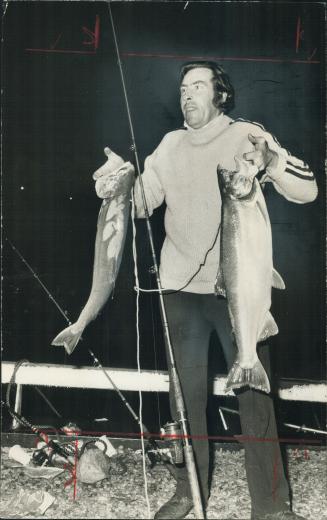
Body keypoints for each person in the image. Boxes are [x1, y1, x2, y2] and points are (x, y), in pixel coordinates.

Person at [95, 61, 318, 520]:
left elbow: (307, 189)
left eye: (198, 86)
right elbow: (140, 203)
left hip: (239, 292)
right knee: (185, 400)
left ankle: (272, 507)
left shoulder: (246, 134)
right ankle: (186, 491)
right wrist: (115, 185)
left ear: (221, 95)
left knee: (256, 401)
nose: (187, 94)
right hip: (180, 291)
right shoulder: (170, 145)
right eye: (182, 88)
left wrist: (271, 163)